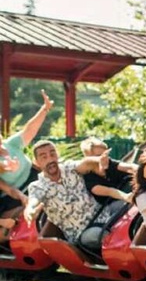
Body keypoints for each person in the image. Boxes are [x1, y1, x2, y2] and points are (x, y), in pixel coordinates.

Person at [22, 140, 110, 242]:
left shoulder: (69, 168)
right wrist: (30, 211)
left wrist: (99, 160)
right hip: (83, 233)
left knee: (128, 208)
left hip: (104, 214)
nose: (50, 159)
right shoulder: (38, 187)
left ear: (57, 154)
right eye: (44, 157)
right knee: (101, 235)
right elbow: (33, 201)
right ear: (36, 162)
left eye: (52, 154)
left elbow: (85, 163)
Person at [0, 91, 54, 219]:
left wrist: (44, 109)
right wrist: (8, 167)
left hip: (35, 178)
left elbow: (30, 129)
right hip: (14, 197)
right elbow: (9, 189)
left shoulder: (11, 144)